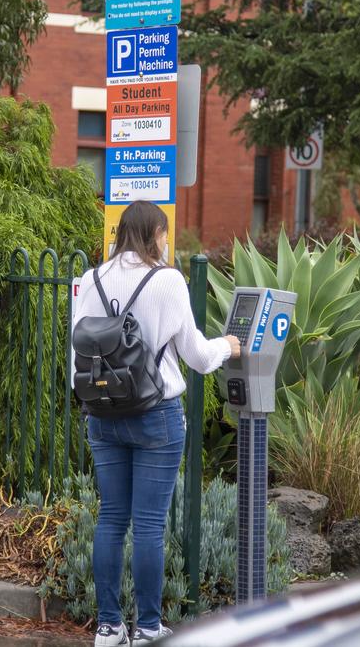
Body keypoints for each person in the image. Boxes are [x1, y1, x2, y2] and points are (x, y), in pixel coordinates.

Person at [73, 201, 241, 646]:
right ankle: (148, 627)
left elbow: (79, 349)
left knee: (110, 519)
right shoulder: (167, 280)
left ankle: (108, 628)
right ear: (155, 235)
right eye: (165, 235)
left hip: (103, 414)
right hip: (155, 416)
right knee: (148, 524)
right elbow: (199, 358)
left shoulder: (90, 279)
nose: (167, 242)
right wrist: (228, 345)